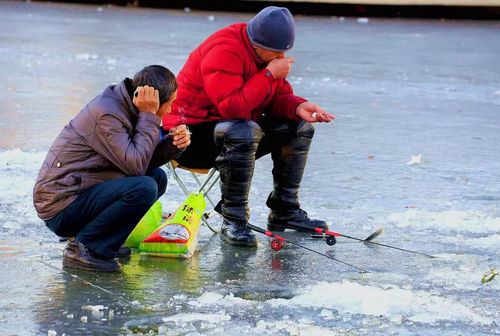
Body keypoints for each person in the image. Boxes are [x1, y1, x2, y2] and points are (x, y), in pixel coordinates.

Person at [162, 7, 335, 247]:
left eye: (285, 51)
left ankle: (284, 209)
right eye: (277, 51)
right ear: (257, 44)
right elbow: (233, 109)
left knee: (299, 126)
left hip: (232, 132)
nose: (281, 56)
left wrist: (298, 106)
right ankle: (233, 219)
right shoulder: (224, 49)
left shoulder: (267, 58)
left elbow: (273, 98)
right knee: (242, 129)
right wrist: (268, 75)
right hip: (187, 138)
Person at [33, 65, 191, 272]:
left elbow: (138, 163)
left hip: (84, 190)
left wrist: (170, 146)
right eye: (169, 104)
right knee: (143, 187)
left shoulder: (127, 107)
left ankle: (103, 242)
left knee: (157, 178)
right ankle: (85, 249)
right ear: (152, 102)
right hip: (62, 204)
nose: (170, 110)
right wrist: (149, 117)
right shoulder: (108, 114)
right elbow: (134, 167)